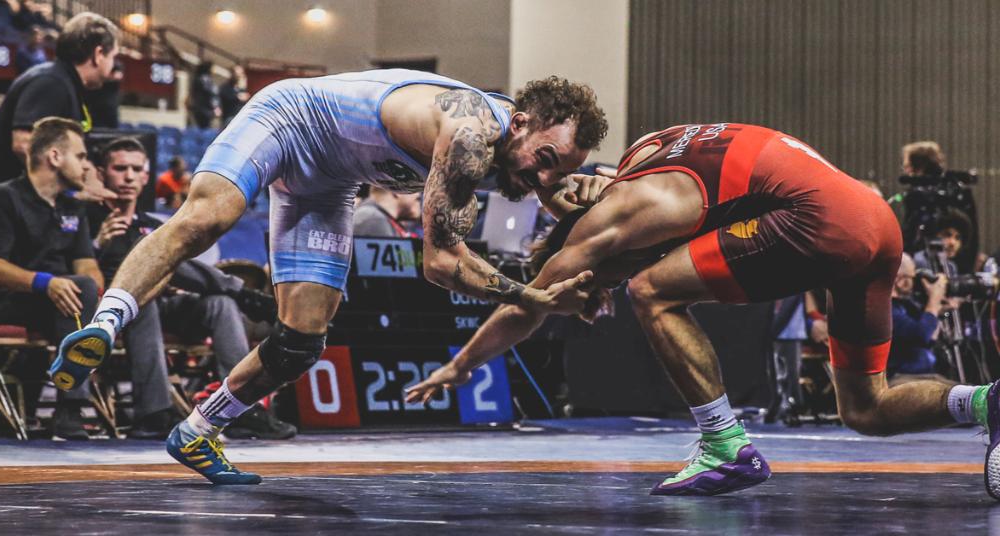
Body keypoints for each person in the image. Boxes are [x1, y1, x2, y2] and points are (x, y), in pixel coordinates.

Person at [54, 70, 607, 483]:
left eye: (560, 170)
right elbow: (440, 263)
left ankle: (197, 432)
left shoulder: (519, 154)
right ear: (520, 123)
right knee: (206, 217)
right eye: (546, 160)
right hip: (290, 119)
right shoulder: (470, 133)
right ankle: (104, 324)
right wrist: (531, 296)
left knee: (300, 341)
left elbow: (556, 198)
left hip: (329, 185)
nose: (545, 178)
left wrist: (589, 201)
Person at [407, 122, 1000, 500]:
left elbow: (531, 304)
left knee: (650, 291)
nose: (600, 295)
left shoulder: (611, 219)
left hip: (818, 219)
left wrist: (461, 365)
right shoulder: (644, 155)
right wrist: (563, 195)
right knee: (865, 408)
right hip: (876, 222)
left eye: (595, 285)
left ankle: (724, 444)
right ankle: (986, 402)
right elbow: (616, 194)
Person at [89, 137, 292, 439]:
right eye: (120, 169)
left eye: (136, 169)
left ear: (146, 177)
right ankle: (155, 413)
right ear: (101, 173)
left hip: (165, 304)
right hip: (114, 314)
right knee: (147, 284)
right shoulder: (88, 219)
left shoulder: (154, 225)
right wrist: (96, 245)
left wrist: (168, 282)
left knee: (220, 303)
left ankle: (239, 408)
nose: (129, 177)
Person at [0, 117, 102, 439]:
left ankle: (71, 407)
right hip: (2, 302)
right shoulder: (3, 198)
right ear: (55, 157)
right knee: (78, 292)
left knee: (85, 289)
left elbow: (87, 266)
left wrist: (91, 290)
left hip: (62, 302)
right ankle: (72, 408)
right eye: (81, 156)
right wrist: (47, 283)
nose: (86, 166)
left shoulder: (73, 207)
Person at [0, 12, 118, 200]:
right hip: (1, 207)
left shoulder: (65, 83)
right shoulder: (51, 82)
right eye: (113, 56)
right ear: (99, 54)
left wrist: (89, 179)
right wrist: (72, 188)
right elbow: (24, 143)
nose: (113, 65)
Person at [888, 253, 947, 377]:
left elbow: (929, 339)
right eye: (912, 277)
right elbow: (921, 334)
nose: (914, 283)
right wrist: (934, 299)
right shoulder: (887, 309)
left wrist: (938, 310)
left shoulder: (905, 305)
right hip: (900, 378)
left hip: (920, 375)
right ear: (900, 280)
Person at [353, 186, 421, 237]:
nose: (419, 194)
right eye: (415, 187)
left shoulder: (378, 217)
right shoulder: (374, 219)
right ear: (397, 190)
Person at [188, 61, 220, 129]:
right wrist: (215, 107)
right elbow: (210, 94)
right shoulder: (204, 79)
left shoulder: (199, 78)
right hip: (205, 110)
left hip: (201, 109)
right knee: (205, 129)